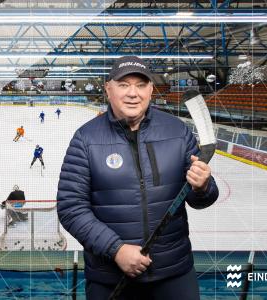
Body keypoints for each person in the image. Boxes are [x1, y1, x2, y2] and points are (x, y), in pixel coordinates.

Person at [56, 56, 219, 300]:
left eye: (141, 85)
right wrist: (116, 250)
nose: (133, 93)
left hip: (174, 273)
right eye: (123, 85)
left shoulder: (177, 131)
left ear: (151, 90)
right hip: (109, 276)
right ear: (108, 88)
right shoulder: (85, 139)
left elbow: (202, 199)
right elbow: (71, 208)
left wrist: (203, 186)